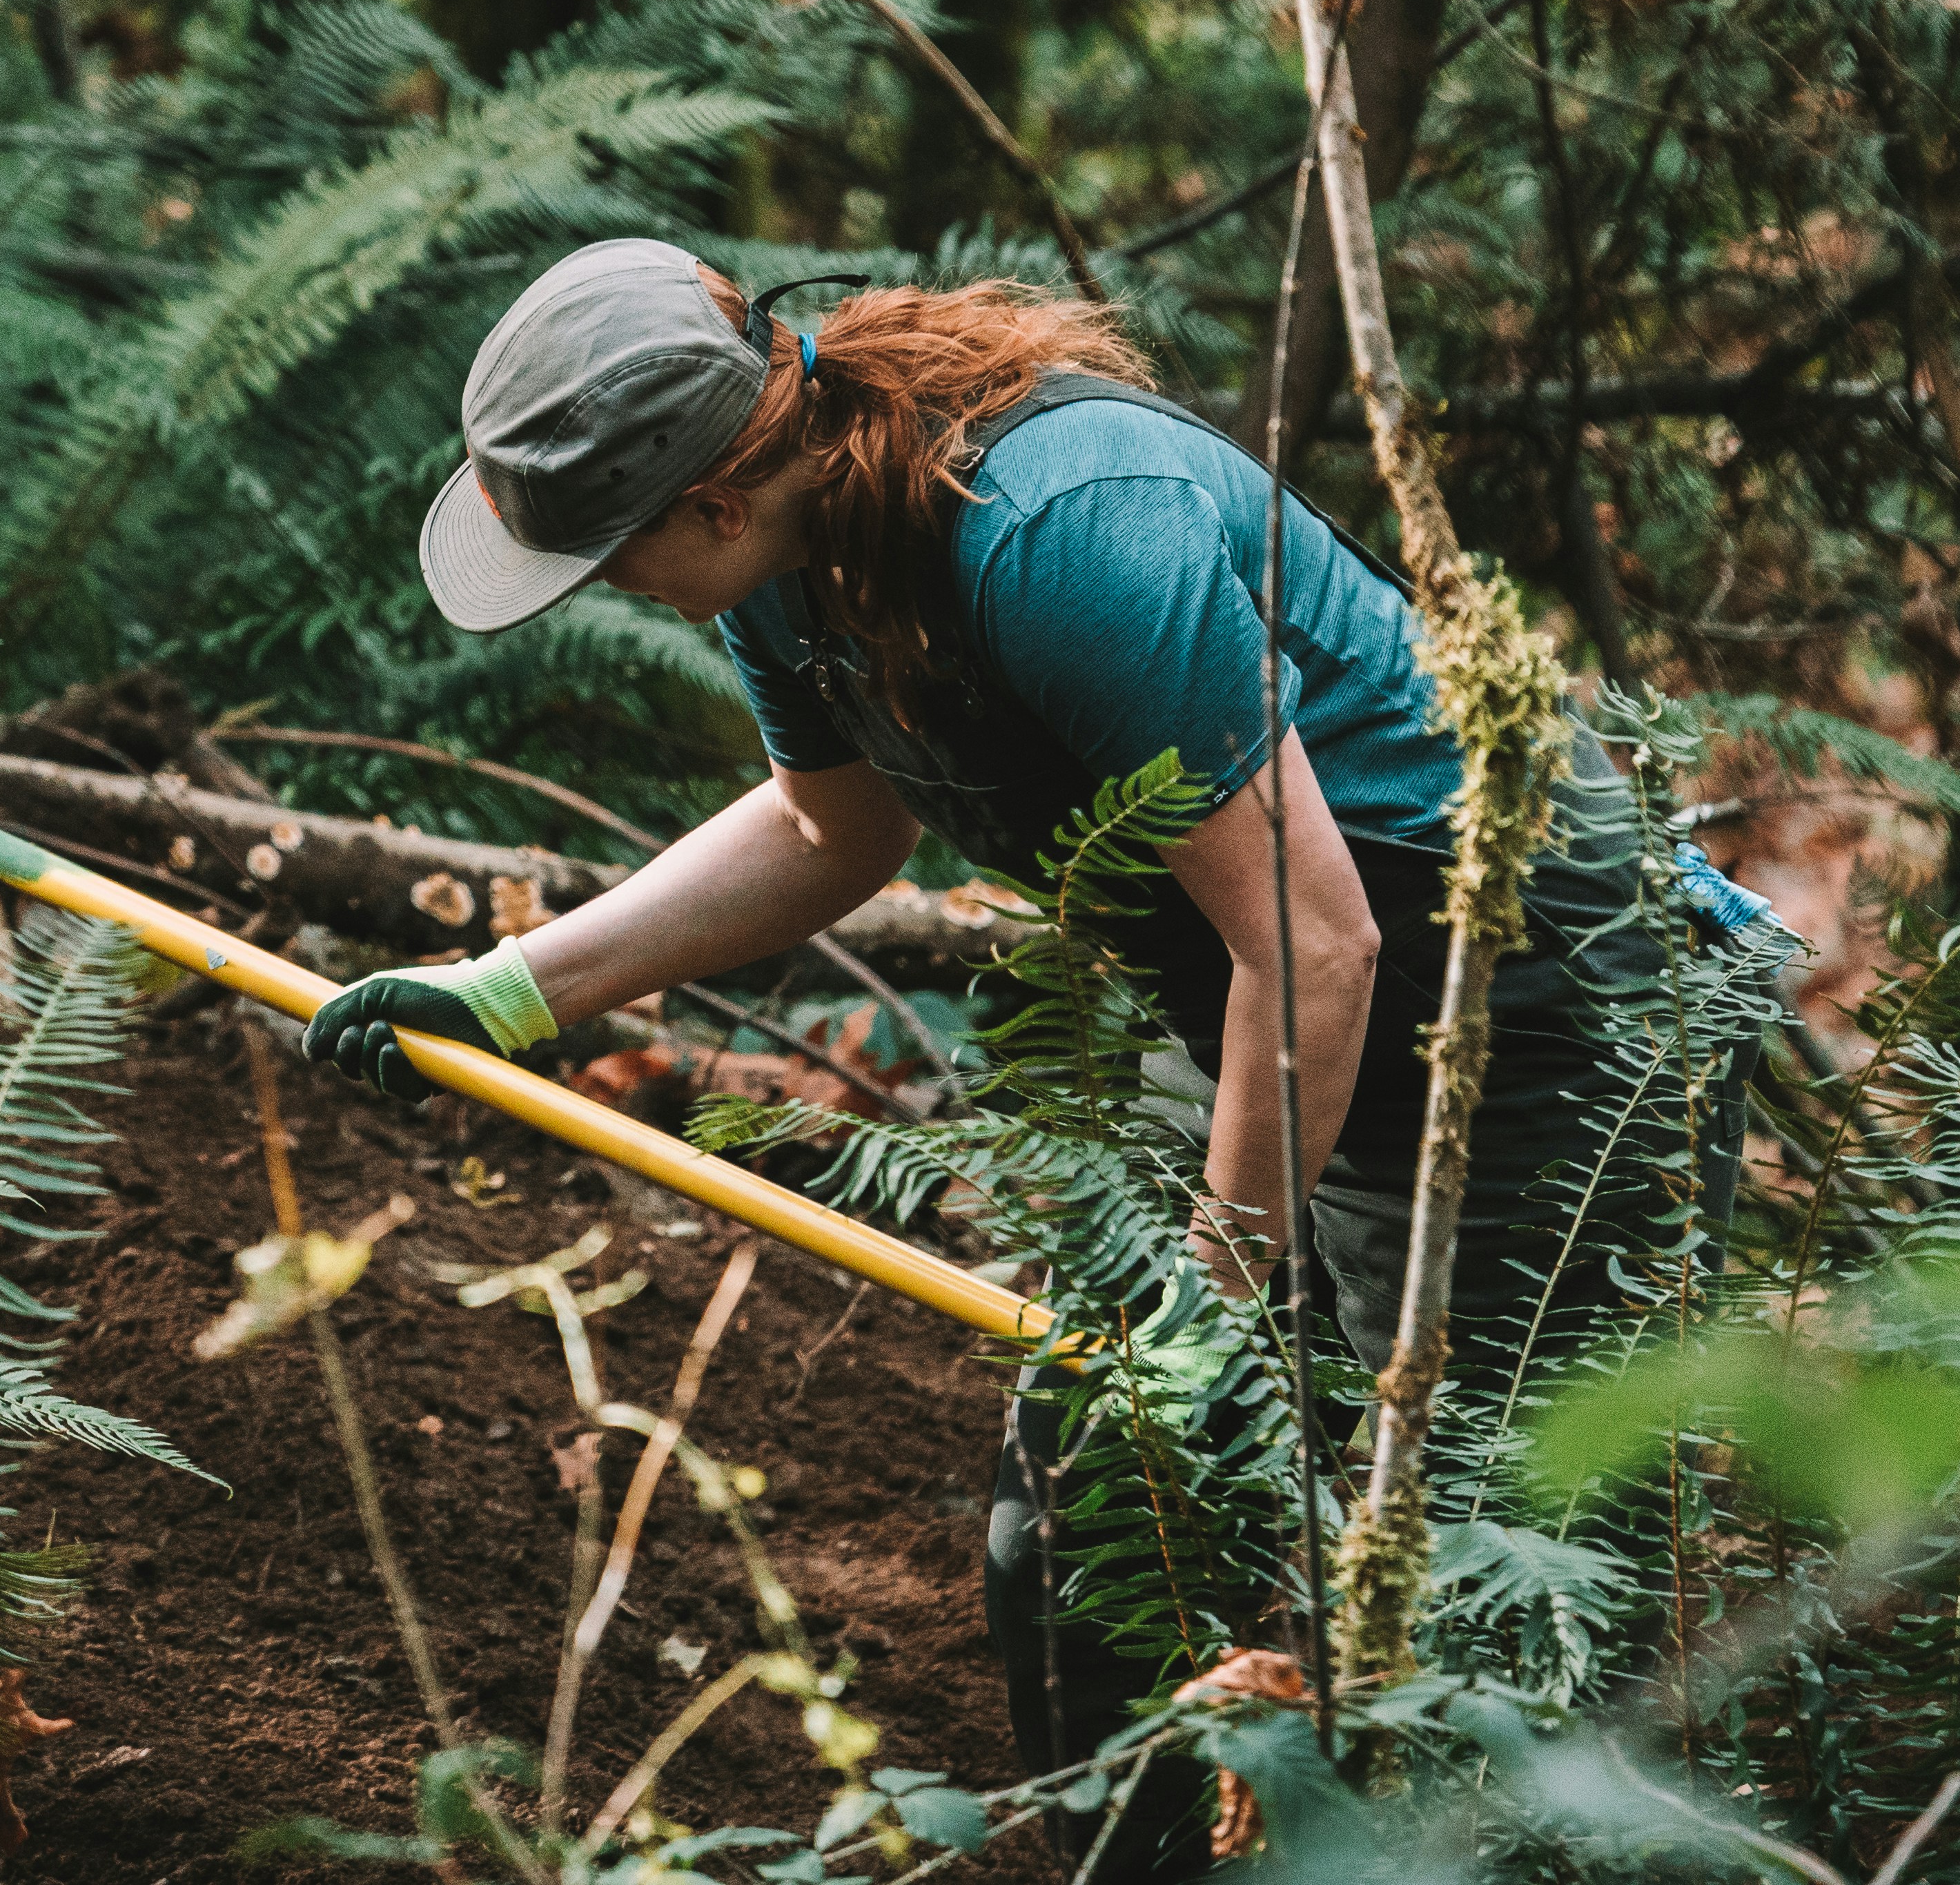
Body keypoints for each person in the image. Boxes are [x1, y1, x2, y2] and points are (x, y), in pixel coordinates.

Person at [300, 238, 1750, 1877]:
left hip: (1549, 1009)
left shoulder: (1057, 530)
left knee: (1496, 1559)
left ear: (706, 499)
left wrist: (1221, 1278)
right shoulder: (790, 559)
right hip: (1262, 994)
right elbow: (821, 830)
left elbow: (1322, 940)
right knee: (1087, 1511)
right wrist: (512, 990)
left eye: (600, 558)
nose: (599, 594)